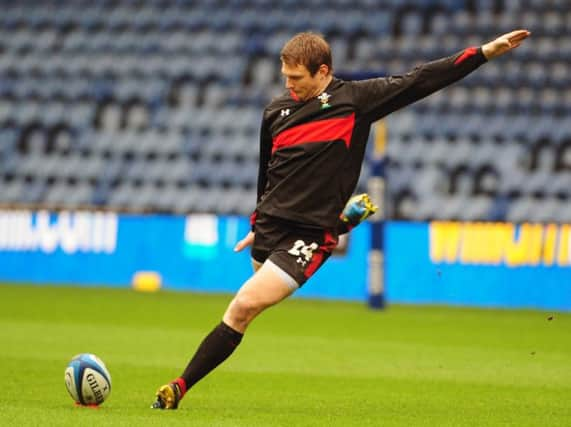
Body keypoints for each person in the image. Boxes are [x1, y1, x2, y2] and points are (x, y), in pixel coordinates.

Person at [151, 29, 530, 409]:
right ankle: (342, 221)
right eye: (285, 77)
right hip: (269, 227)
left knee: (243, 306)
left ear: (323, 71)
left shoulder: (356, 102)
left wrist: (485, 52)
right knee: (247, 305)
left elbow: (420, 79)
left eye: (297, 78)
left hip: (309, 235)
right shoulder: (276, 112)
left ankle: (178, 388)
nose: (289, 85)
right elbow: (267, 173)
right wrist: (256, 222)